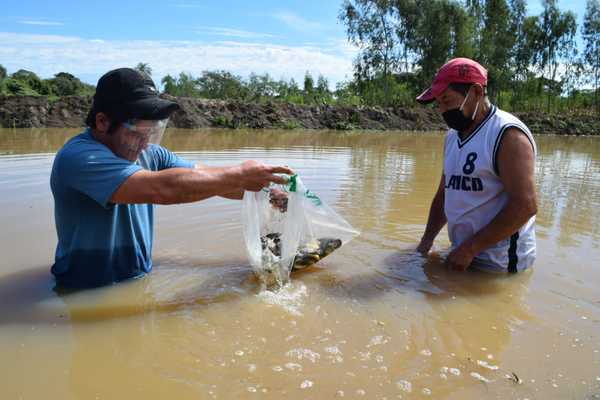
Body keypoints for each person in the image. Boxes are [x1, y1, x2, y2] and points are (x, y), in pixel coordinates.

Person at [50, 68, 292, 288]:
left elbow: (204, 178)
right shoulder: (80, 158)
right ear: (103, 122)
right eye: (139, 134)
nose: (145, 144)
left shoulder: (149, 153)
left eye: (153, 133)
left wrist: (267, 193)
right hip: (83, 289)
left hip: (137, 281)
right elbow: (164, 189)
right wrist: (240, 174)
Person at [415, 58, 537, 273]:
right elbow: (445, 192)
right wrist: (426, 241)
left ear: (476, 93)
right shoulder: (452, 136)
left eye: (447, 100)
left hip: (499, 265)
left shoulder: (507, 135)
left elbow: (525, 206)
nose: (442, 110)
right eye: (438, 103)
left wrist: (470, 249)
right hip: (461, 254)